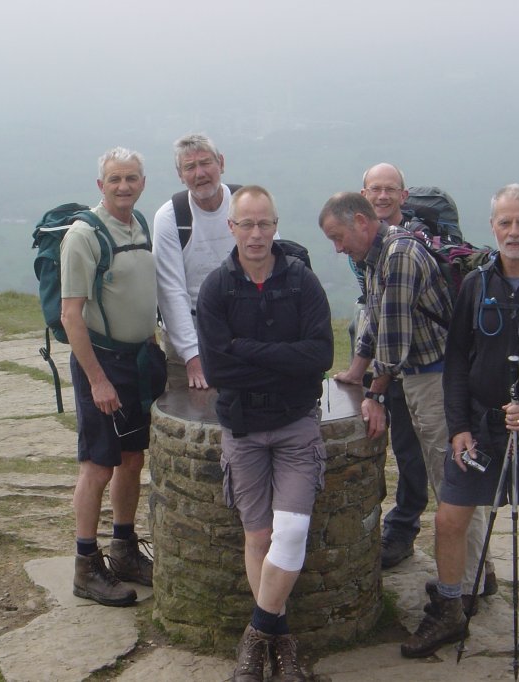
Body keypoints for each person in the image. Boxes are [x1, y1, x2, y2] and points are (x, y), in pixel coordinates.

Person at [400, 184, 519, 671]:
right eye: (505, 223)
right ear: (492, 228)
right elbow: (457, 362)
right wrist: (458, 428)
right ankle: (449, 607)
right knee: (449, 517)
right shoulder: (476, 285)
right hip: (480, 429)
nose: (514, 231)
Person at [322, 178, 496, 602]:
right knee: (447, 479)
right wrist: (354, 372)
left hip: (436, 381)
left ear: (361, 222)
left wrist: (375, 393)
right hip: (422, 378)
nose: (338, 249)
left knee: (453, 482)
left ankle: (470, 582)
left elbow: (394, 344)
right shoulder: (380, 253)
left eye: (338, 238)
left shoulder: (399, 256)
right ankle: (477, 572)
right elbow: (376, 323)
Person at [196, 186, 333, 682]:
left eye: (264, 224)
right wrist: (282, 360)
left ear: (276, 226)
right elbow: (217, 369)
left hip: (296, 424)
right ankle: (281, 645)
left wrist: (246, 349)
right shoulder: (217, 288)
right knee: (258, 535)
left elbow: (320, 358)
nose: (256, 234)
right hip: (243, 426)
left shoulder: (302, 282)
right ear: (230, 227)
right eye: (245, 224)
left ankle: (256, 637)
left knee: (290, 530)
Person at [61, 147, 167, 606]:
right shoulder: (84, 235)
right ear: (99, 185)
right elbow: (71, 315)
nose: (124, 186)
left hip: (138, 362)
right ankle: (86, 566)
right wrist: (97, 380)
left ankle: (123, 549)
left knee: (131, 459)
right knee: (97, 464)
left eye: (132, 178)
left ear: (143, 182)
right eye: (115, 179)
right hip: (101, 364)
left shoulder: (140, 224)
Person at [153, 133, 237, 390]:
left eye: (206, 163)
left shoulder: (245, 204)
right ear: (180, 174)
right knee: (192, 414)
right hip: (190, 331)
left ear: (221, 163)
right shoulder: (170, 217)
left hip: (246, 329)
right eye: (190, 167)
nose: (200, 173)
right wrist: (192, 355)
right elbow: (171, 291)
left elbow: (275, 261)